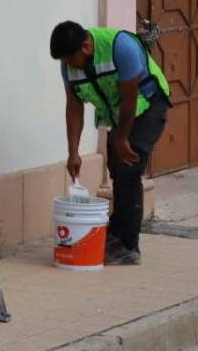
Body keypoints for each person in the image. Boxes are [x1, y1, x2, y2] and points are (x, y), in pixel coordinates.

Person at [49, 20, 170, 265]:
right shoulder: (69, 66)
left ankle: (128, 246)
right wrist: (73, 152)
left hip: (148, 104)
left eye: (69, 59)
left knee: (128, 167)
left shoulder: (121, 47)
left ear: (85, 47)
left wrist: (122, 139)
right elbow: (74, 108)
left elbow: (129, 99)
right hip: (119, 113)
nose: (67, 66)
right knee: (116, 168)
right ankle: (116, 234)